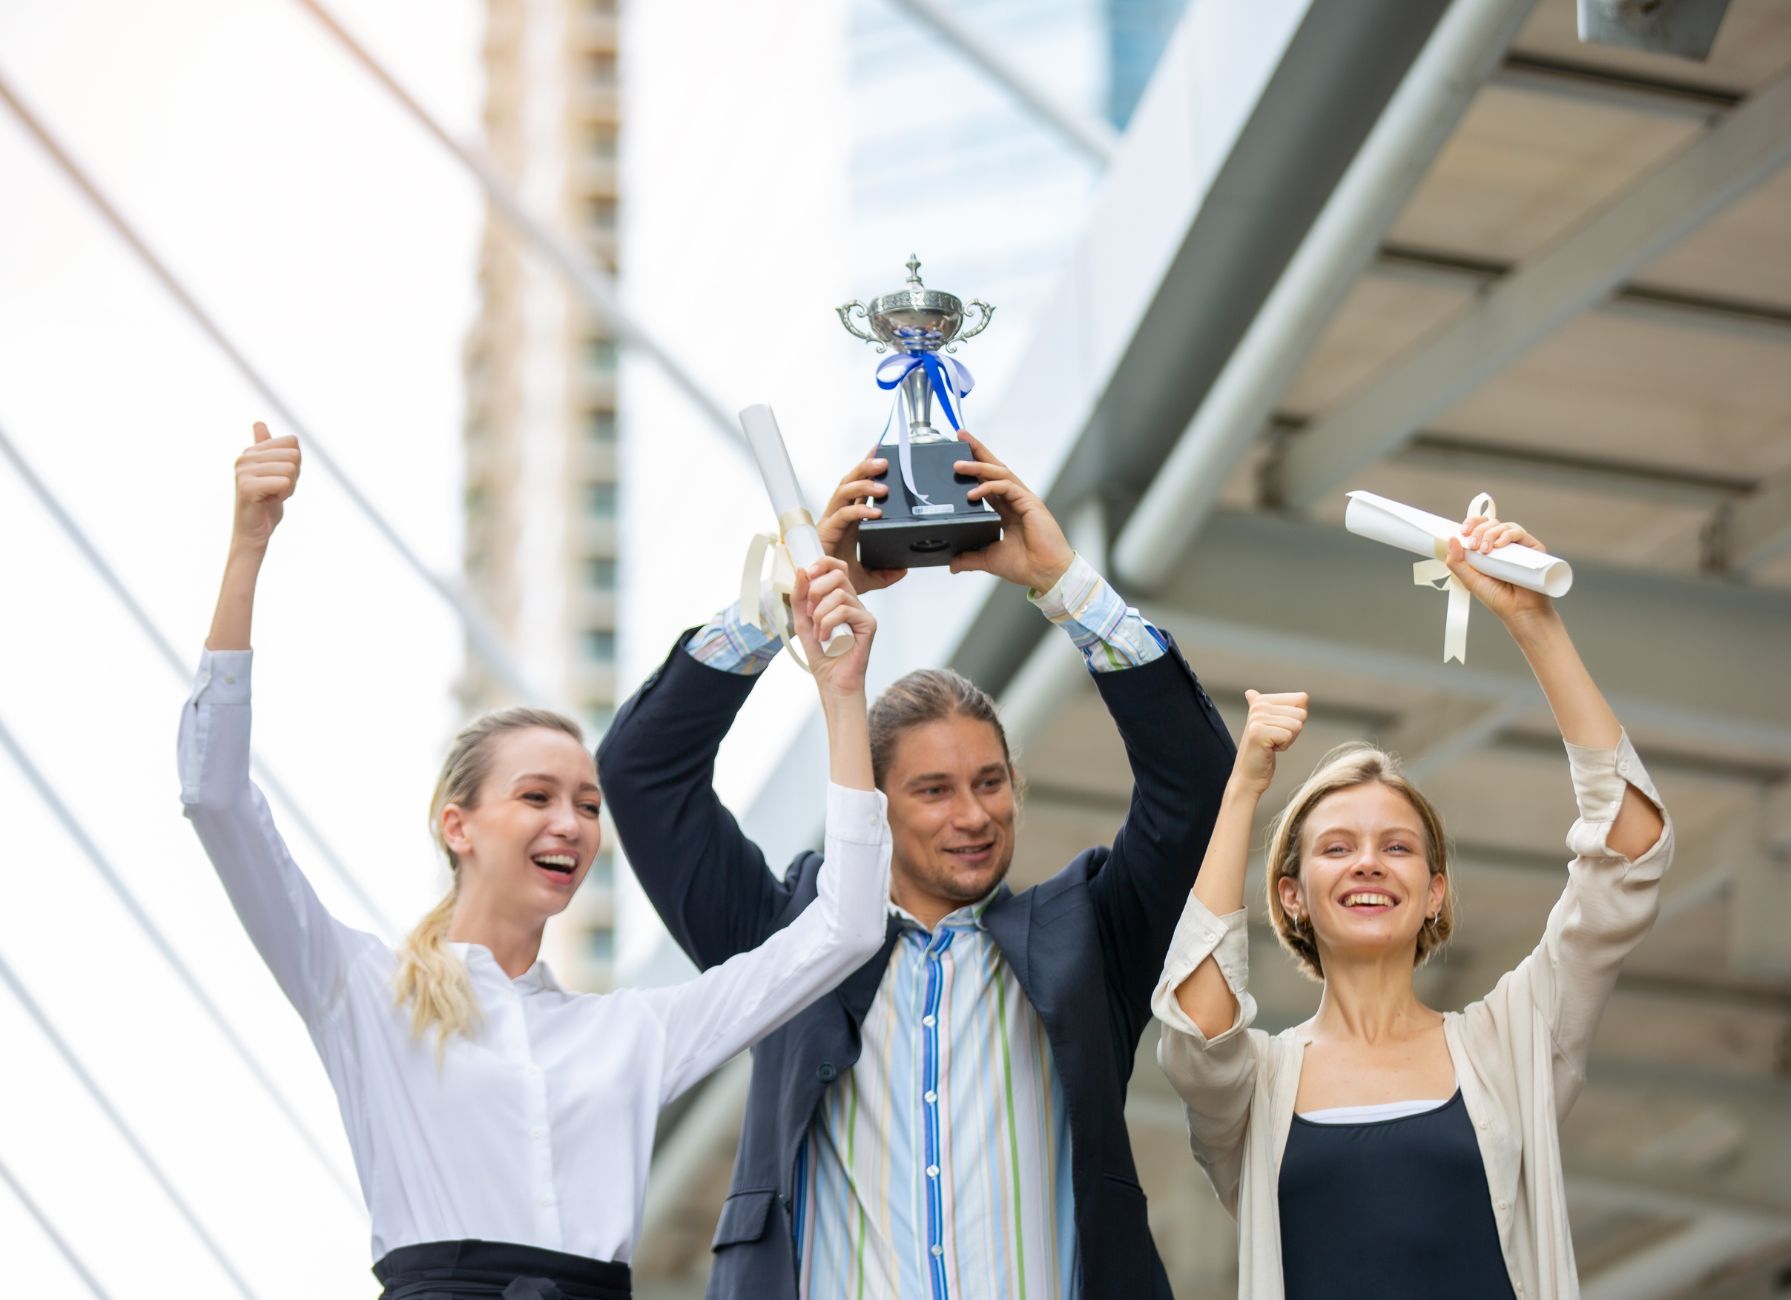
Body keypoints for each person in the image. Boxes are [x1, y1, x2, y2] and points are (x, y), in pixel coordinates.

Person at [179, 422, 891, 1299]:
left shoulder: (630, 1036)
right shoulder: (357, 988)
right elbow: (215, 796)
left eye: (589, 806)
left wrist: (844, 695)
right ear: (458, 826)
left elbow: (848, 927)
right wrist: (248, 545)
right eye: (537, 797)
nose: (572, 824)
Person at [596, 431, 1236, 1299]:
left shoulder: (1090, 935)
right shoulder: (783, 943)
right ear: (876, 806)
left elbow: (1194, 780)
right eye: (934, 791)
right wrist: (783, 605)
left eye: (989, 782)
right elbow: (643, 772)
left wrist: (1064, 584)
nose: (973, 815)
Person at [1152, 515, 1674, 1300]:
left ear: (1434, 893)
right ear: (1290, 896)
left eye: (1397, 847)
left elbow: (1629, 855)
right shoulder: (1259, 1082)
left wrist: (1535, 623)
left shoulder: (1511, 1041)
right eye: (1336, 847)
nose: (1368, 860)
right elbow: (1197, 1027)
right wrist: (1244, 788)